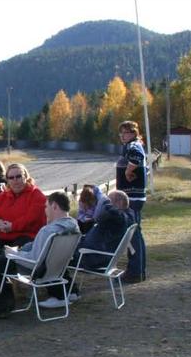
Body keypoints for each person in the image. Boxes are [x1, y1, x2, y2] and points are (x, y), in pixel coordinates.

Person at [0, 191, 80, 320]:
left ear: (54, 206)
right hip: (54, 271)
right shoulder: (73, 227)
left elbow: (33, 261)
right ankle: (2, 303)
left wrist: (14, 253)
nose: (45, 210)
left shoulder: (48, 231)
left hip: (30, 269)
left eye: (46, 206)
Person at [37, 190, 135, 308]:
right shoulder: (126, 216)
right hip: (99, 255)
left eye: (109, 201)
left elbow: (108, 209)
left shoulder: (118, 217)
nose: (102, 206)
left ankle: (59, 296)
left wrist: (102, 197)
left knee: (55, 255)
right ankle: (71, 292)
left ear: (118, 204)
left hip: (93, 258)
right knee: (61, 250)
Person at [0, 163, 47, 253]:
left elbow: (31, 219)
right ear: (7, 180)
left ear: (26, 177)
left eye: (18, 176)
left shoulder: (36, 195)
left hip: (27, 238)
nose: (15, 180)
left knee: (4, 258)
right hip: (4, 237)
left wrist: (12, 226)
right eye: (11, 178)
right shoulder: (5, 195)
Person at [116, 120, 147, 283]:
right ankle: (138, 271)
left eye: (126, 132)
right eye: (121, 133)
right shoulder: (134, 144)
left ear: (134, 133)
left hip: (131, 199)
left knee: (132, 236)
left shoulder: (133, 145)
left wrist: (128, 171)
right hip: (136, 197)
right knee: (136, 234)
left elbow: (137, 156)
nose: (123, 136)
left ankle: (134, 273)